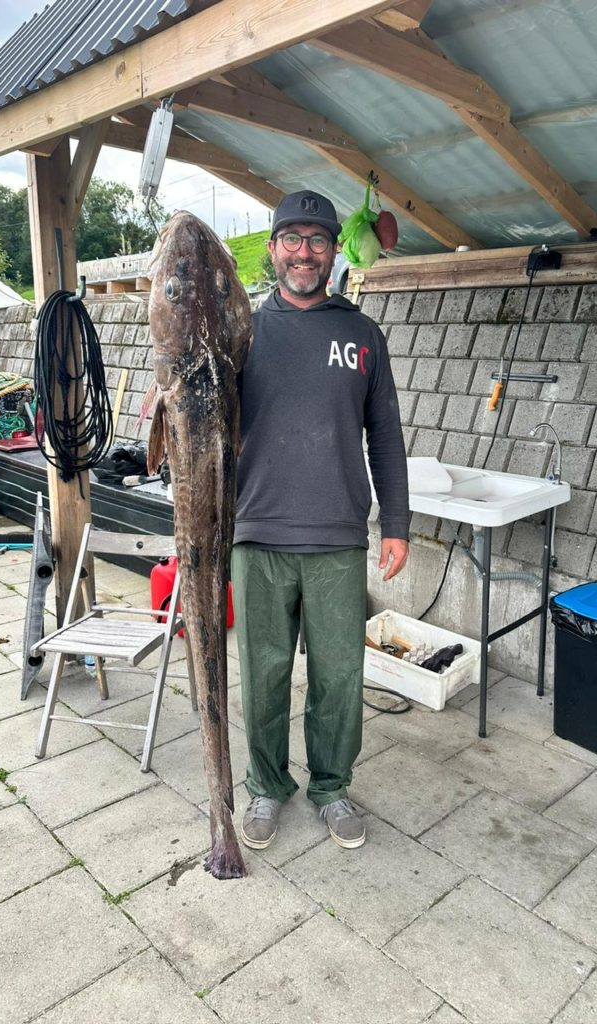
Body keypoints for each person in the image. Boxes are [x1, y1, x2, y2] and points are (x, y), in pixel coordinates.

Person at [231, 189, 409, 851]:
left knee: (338, 676)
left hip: (336, 534)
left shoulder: (362, 335)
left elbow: (384, 434)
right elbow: (203, 411)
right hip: (256, 534)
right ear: (273, 247)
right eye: (292, 239)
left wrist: (397, 522)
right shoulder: (242, 331)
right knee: (265, 674)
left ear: (334, 251)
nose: (304, 252)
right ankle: (267, 785)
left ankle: (332, 786)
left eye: (317, 241)